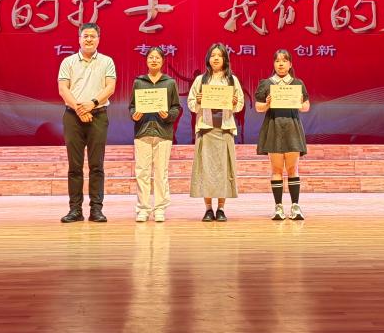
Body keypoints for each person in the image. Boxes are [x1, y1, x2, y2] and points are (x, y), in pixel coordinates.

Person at [57, 22, 116, 223]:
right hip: (73, 116)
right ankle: (75, 210)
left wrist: (91, 104)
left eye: (93, 36)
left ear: (98, 39)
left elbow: (110, 88)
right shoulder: (68, 62)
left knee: (96, 165)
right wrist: (79, 109)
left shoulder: (107, 61)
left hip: (98, 115)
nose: (89, 39)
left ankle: (96, 210)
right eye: (85, 36)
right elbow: (63, 89)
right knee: (74, 166)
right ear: (79, 39)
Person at [188, 43, 244, 221]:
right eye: (213, 55)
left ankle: (220, 208)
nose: (216, 58)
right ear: (208, 59)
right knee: (206, 170)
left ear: (225, 58)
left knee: (223, 170)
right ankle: (207, 209)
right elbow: (191, 103)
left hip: (225, 129)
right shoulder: (200, 80)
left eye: (219, 55)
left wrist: (234, 103)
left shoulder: (232, 80)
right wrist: (198, 101)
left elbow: (240, 104)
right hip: (206, 129)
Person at [254, 49, 311, 220]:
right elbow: (258, 107)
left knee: (293, 169)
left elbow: (306, 106)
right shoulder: (266, 84)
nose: (281, 64)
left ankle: (295, 207)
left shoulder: (297, 83)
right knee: (277, 169)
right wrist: (267, 104)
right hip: (274, 127)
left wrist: (300, 103)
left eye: (284, 61)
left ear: (290, 64)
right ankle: (278, 207)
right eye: (278, 61)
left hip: (292, 127)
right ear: (273, 64)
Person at [129, 46, 181, 222]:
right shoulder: (138, 82)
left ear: (163, 61)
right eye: (151, 57)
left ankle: (160, 208)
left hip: (163, 133)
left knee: (161, 173)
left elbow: (176, 107)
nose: (154, 60)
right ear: (146, 60)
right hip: (142, 132)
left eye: (157, 58)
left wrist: (168, 115)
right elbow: (132, 106)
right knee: (142, 172)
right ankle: (143, 209)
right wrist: (134, 114)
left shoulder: (170, 83)